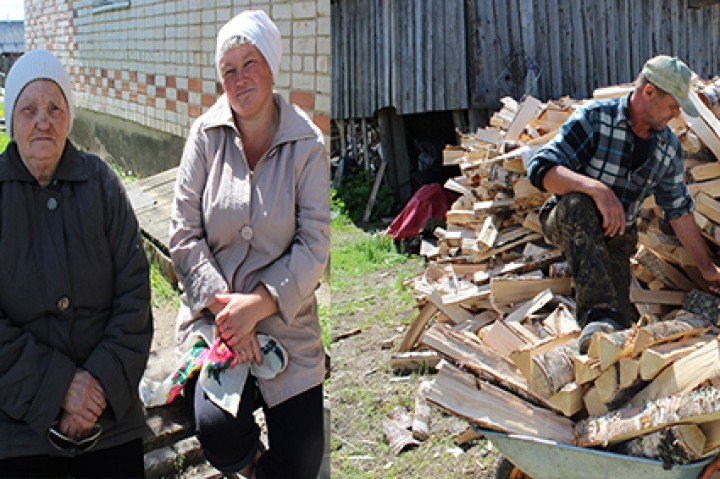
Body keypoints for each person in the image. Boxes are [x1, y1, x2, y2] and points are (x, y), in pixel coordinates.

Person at [169, 10, 330, 479]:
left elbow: (313, 244)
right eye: (228, 70)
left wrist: (257, 306)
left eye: (250, 62)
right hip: (214, 321)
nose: (240, 79)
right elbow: (183, 234)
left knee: (303, 454)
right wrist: (228, 315)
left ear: (272, 65)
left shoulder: (307, 144)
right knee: (218, 431)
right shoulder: (204, 136)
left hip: (285, 318)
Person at [0, 49, 152, 477]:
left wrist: (96, 387)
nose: (43, 121)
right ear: (12, 120)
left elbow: (134, 294)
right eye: (28, 109)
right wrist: (58, 388)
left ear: (69, 115)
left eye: (54, 107)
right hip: (16, 419)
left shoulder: (100, 182)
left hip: (108, 412)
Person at [527, 55, 720, 353]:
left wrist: (708, 269)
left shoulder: (667, 147)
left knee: (621, 328)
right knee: (580, 205)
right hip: (567, 218)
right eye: (672, 105)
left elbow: (679, 211)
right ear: (649, 92)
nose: (675, 113)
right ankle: (595, 316)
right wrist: (595, 189)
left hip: (618, 235)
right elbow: (541, 170)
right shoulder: (595, 118)